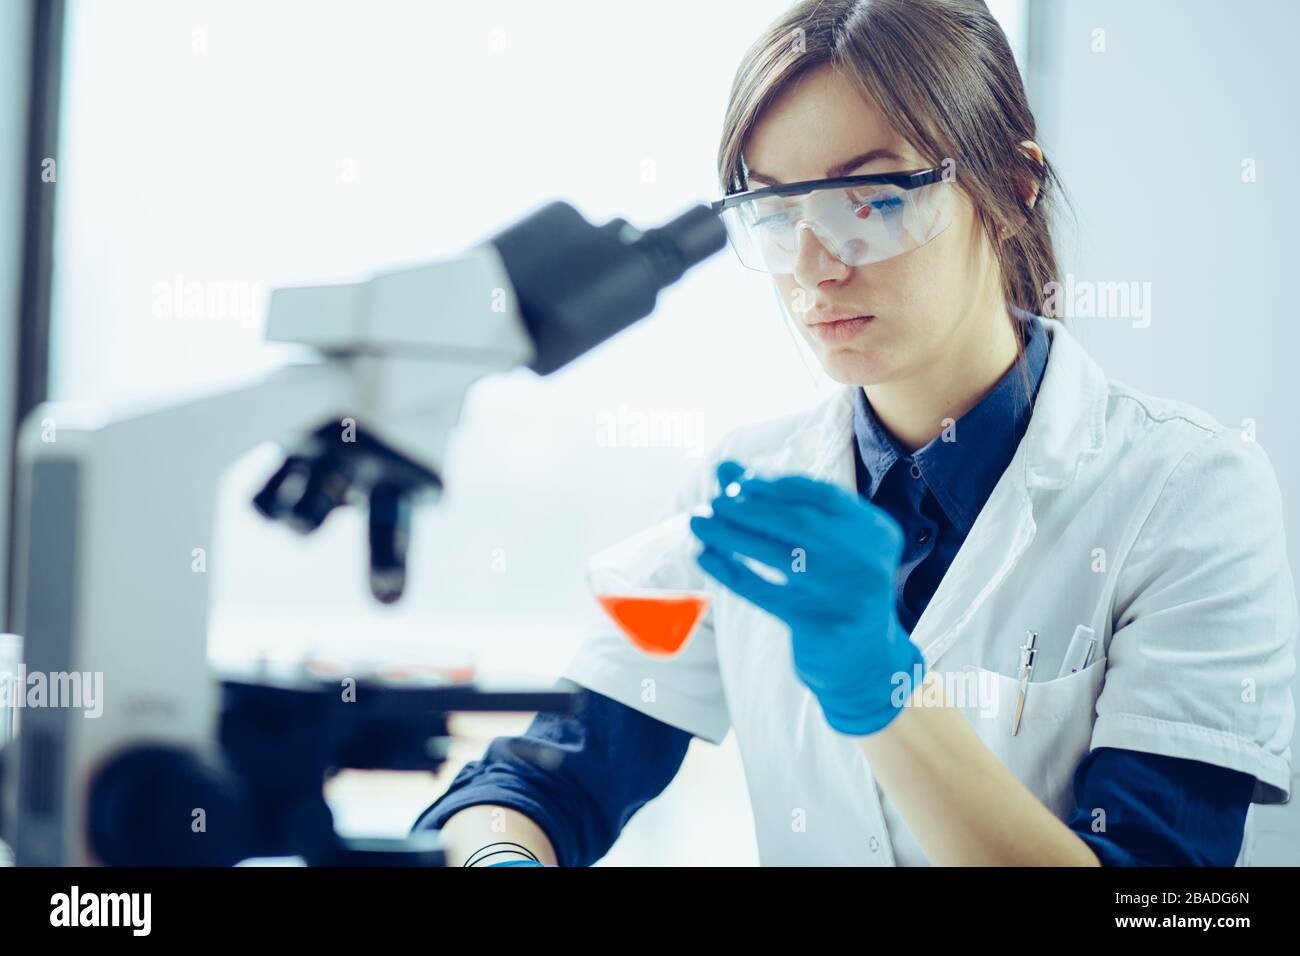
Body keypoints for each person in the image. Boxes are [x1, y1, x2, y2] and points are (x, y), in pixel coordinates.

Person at [412, 0, 1296, 866]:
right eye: (775, 209)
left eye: (870, 199)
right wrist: (504, 857)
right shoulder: (745, 488)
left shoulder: (1190, 493)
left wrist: (879, 685)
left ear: (1015, 189)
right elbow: (546, 781)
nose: (812, 266)